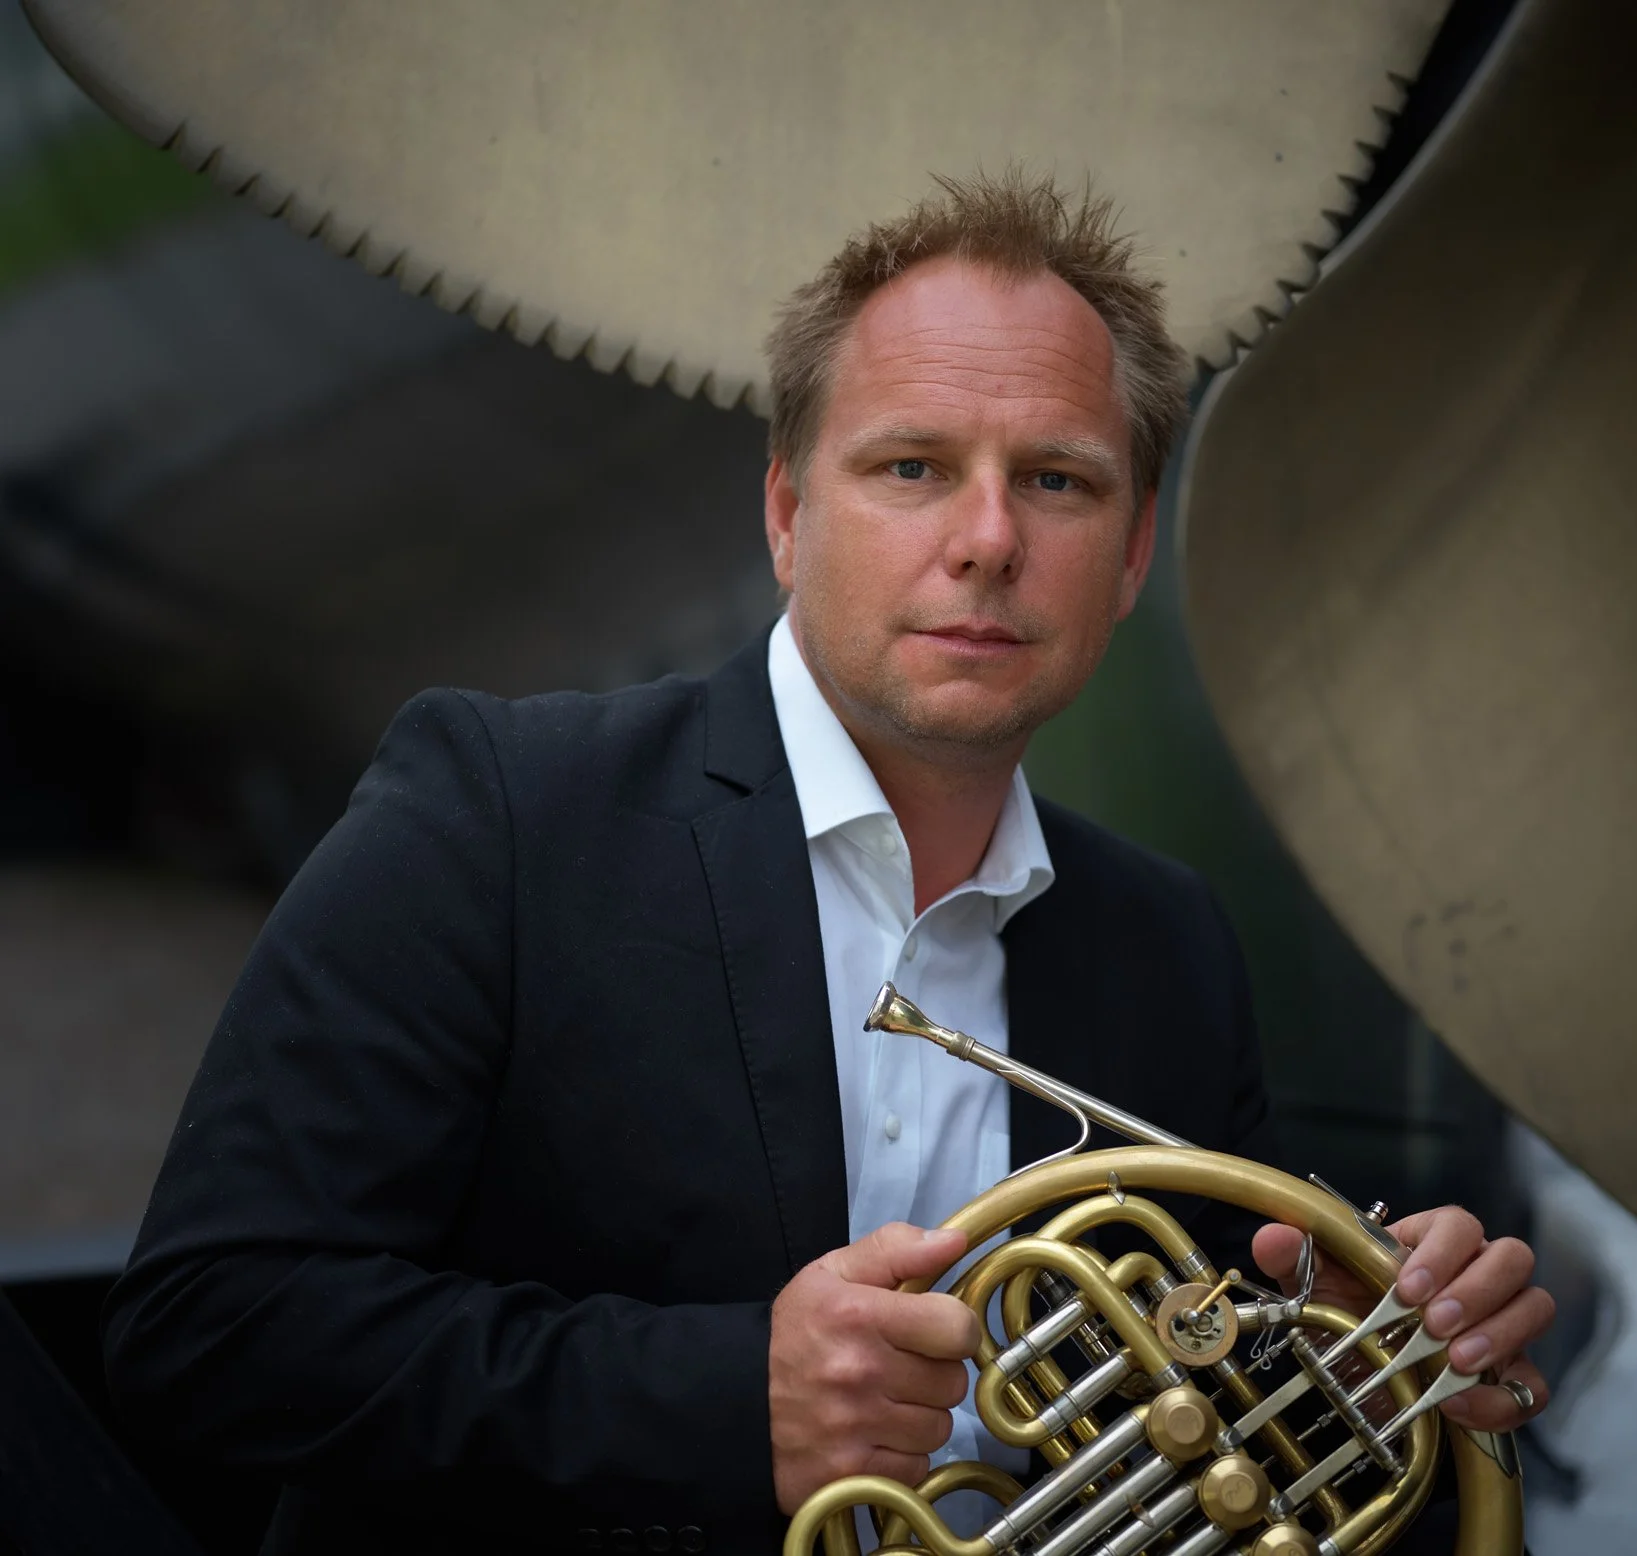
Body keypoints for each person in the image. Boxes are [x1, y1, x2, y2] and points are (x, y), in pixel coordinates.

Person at [103, 171, 1554, 1556]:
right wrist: (734, 1402)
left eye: (1056, 480)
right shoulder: (504, 813)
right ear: (790, 512)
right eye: (913, 467)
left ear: (1129, 555)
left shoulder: (1165, 946)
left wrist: (1357, 1399)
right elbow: (215, 1327)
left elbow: (1199, 1443)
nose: (988, 541)